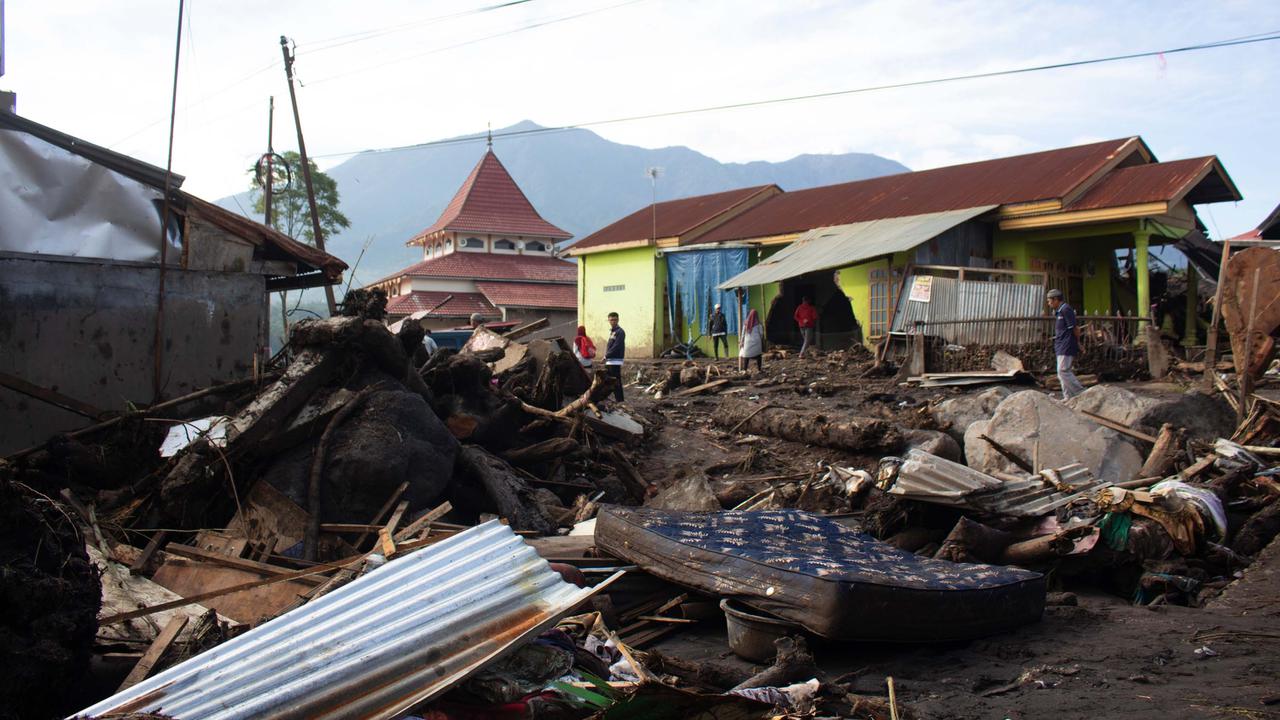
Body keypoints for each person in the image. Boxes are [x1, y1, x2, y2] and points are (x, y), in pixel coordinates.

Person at [1047, 289, 1085, 400]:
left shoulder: (1066, 309)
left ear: (1055, 299)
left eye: (1049, 301)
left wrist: (1078, 343)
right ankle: (1067, 397)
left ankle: (1080, 392)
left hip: (1066, 344)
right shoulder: (1060, 311)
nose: (1048, 304)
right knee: (1061, 373)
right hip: (1060, 344)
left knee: (1063, 370)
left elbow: (1075, 328)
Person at [605, 312, 626, 402]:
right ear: (608, 320)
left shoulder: (620, 332)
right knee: (609, 380)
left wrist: (606, 355)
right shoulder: (613, 332)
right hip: (610, 360)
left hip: (615, 360)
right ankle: (609, 398)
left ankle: (620, 400)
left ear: (618, 320)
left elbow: (616, 346)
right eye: (611, 320)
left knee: (616, 380)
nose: (613, 322)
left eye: (614, 320)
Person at [738, 308, 764, 373]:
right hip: (757, 342)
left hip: (747, 343)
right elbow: (761, 333)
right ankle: (759, 369)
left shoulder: (746, 323)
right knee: (759, 356)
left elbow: (743, 334)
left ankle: (745, 369)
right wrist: (760, 339)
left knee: (746, 356)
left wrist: (741, 341)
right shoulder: (759, 324)